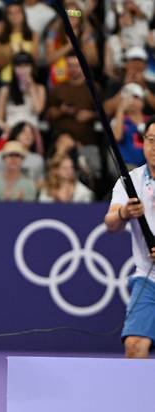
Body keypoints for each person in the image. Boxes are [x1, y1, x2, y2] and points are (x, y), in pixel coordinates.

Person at [105, 117, 155, 359]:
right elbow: (111, 223)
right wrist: (125, 212)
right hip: (149, 278)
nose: (154, 146)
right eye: (151, 140)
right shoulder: (130, 181)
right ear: (143, 142)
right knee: (134, 346)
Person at [0, 52, 46, 133]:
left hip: (31, 132)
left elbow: (38, 110)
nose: (23, 70)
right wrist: (8, 128)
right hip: (11, 130)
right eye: (19, 66)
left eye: (26, 66)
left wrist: (31, 87)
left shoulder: (40, 88)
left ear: (32, 67)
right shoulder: (5, 90)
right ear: (13, 68)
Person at [112, 82, 148, 169]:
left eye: (135, 97)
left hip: (149, 165)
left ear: (142, 101)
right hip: (128, 167)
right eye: (128, 97)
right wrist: (120, 109)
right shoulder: (119, 119)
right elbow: (117, 137)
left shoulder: (149, 120)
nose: (131, 101)